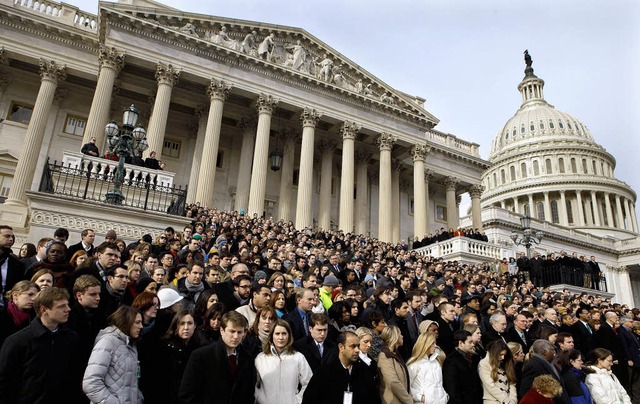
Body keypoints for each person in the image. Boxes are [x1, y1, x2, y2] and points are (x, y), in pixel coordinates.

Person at [0, 287, 82, 404]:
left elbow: (75, 376)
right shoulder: (18, 342)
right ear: (44, 310)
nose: (68, 309)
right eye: (61, 306)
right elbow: (5, 382)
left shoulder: (71, 338)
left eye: (67, 305)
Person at [179, 311, 256, 403]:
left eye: (239, 332)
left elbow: (249, 394)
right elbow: (187, 394)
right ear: (222, 331)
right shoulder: (201, 356)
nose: (236, 336)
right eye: (232, 331)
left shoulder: (247, 358)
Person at [143, 309, 205, 404]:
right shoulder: (164, 349)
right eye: (182, 323)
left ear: (195, 326)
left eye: (189, 323)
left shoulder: (200, 350)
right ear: (176, 326)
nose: (186, 327)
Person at [303, 331, 381, 404]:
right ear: (341, 347)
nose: (357, 350)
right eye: (353, 346)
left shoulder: (364, 371)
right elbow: (310, 400)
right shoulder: (324, 372)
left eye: (358, 346)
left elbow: (373, 399)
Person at [255, 319, 313, 403]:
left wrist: (297, 400)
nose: (281, 337)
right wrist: (261, 399)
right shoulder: (261, 358)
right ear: (272, 336)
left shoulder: (298, 357)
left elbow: (310, 382)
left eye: (284, 333)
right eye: (277, 334)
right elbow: (254, 384)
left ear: (289, 336)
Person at [443, 329, 483, 404]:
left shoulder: (474, 357)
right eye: (470, 342)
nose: (473, 344)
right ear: (461, 343)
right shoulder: (451, 361)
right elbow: (452, 389)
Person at [407, 332, 448, 404]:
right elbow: (407, 385)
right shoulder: (414, 363)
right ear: (425, 344)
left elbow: (439, 383)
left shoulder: (436, 361)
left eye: (435, 342)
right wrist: (420, 397)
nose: (435, 346)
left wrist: (444, 396)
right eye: (432, 343)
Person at [377, 324, 412, 403]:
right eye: (400, 334)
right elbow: (393, 382)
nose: (402, 336)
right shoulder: (385, 357)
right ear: (395, 337)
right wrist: (408, 400)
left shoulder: (395, 354)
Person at [478, 339, 517, 404]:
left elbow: (512, 382)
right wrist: (506, 400)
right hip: (493, 401)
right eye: (500, 354)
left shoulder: (505, 363)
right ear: (495, 353)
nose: (503, 357)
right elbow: (490, 386)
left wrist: (513, 400)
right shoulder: (483, 364)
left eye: (504, 355)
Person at [0, 280, 37, 347]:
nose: (33, 299)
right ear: (15, 295)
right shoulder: (2, 314)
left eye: (36, 296)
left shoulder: (37, 316)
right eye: (30, 294)